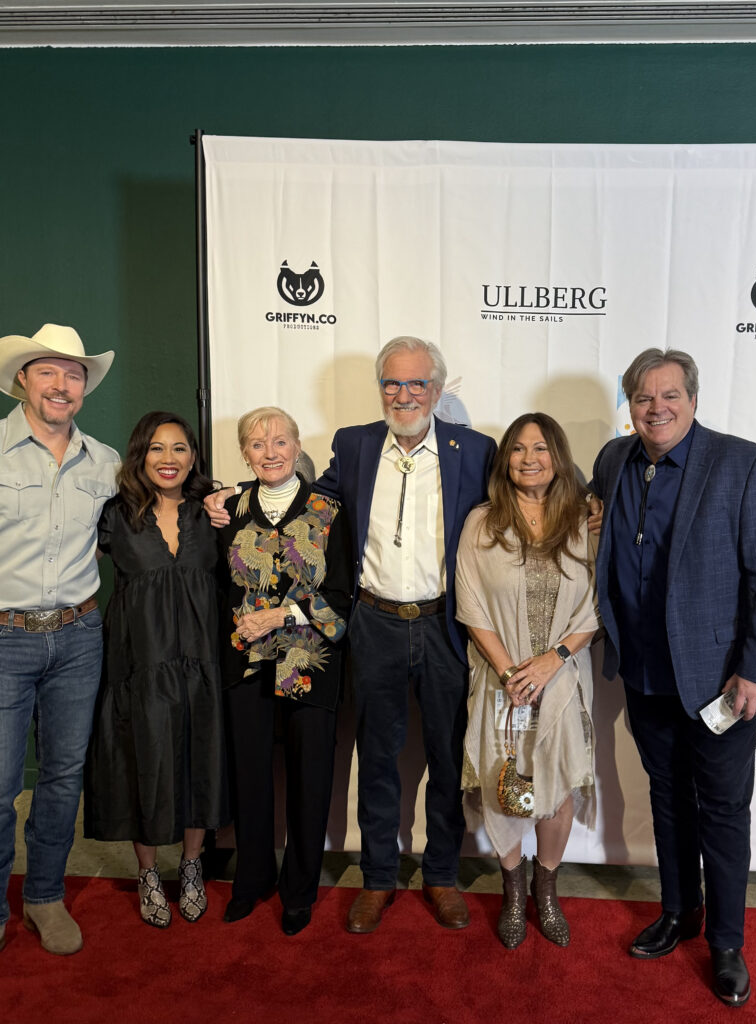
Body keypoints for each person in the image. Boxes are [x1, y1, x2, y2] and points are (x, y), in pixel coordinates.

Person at [591, 348, 756, 1008]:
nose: (656, 408)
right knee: (667, 800)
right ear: (630, 405)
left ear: (693, 399)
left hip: (721, 682)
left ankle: (725, 943)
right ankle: (679, 911)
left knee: (721, 811)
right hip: (643, 673)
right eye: (643, 397)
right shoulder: (614, 460)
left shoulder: (743, 464)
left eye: (669, 395)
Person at [314, 336, 497, 933]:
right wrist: (234, 501)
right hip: (374, 623)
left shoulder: (475, 450)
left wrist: (585, 508)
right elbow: (314, 503)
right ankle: (377, 877)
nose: (404, 394)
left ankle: (441, 875)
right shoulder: (355, 443)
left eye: (417, 383)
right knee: (377, 758)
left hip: (446, 624)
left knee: (448, 756)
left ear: (437, 390)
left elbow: (520, 505)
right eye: (392, 382)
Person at [455, 413, 598, 949]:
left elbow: (597, 605)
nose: (529, 458)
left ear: (558, 457)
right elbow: (470, 604)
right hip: (503, 682)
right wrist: (510, 671)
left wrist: (552, 661)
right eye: (517, 448)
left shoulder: (584, 521)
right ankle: (513, 891)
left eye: (540, 448)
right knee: (504, 782)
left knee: (557, 785)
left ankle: (547, 889)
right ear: (505, 460)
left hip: (560, 678)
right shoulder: (482, 523)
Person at [0, 324, 118, 956]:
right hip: (5, 637)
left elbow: (137, 522)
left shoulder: (105, 462)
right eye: (48, 371)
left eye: (74, 375)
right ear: (23, 378)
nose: (61, 385)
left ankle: (44, 896)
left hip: (78, 637)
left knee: (64, 776)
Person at [84, 412, 227, 928]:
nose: (169, 459)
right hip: (139, 665)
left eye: (180, 448)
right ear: (140, 455)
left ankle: (191, 866)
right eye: (157, 448)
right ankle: (147, 872)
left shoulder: (212, 513)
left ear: (193, 457)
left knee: (199, 759)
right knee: (140, 761)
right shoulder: (114, 515)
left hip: (201, 664)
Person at [218, 406, 351, 936]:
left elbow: (341, 593)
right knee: (249, 777)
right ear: (244, 453)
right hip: (244, 661)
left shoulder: (329, 509)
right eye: (257, 443)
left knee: (309, 780)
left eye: (279, 441)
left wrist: (281, 615)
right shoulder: (227, 509)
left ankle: (299, 891)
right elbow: (216, 586)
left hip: (309, 663)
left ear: (297, 447)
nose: (269, 452)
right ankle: (251, 880)